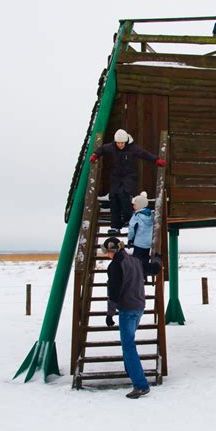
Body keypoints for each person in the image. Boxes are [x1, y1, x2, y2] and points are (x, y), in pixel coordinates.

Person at [103, 236, 162, 399]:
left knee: (128, 346)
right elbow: (154, 269)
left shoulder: (115, 265)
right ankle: (131, 371)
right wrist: (157, 259)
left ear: (110, 250)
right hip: (139, 307)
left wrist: (110, 313)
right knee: (128, 344)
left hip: (127, 309)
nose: (105, 254)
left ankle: (140, 385)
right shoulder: (135, 261)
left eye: (106, 251)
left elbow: (113, 290)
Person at [90, 129, 166, 234]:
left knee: (123, 193)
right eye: (118, 143)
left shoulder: (132, 148)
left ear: (126, 142)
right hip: (116, 177)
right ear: (115, 142)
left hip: (129, 176)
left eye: (122, 143)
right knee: (113, 197)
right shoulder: (112, 147)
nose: (120, 145)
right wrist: (95, 155)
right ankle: (115, 226)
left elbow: (144, 154)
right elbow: (102, 149)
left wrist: (156, 160)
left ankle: (127, 219)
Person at [127, 191, 153, 274]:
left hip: (139, 243)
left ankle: (138, 275)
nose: (133, 206)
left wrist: (130, 239)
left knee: (136, 260)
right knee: (145, 259)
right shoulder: (151, 215)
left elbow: (132, 228)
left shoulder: (136, 216)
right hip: (149, 242)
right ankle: (144, 275)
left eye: (134, 205)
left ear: (138, 205)